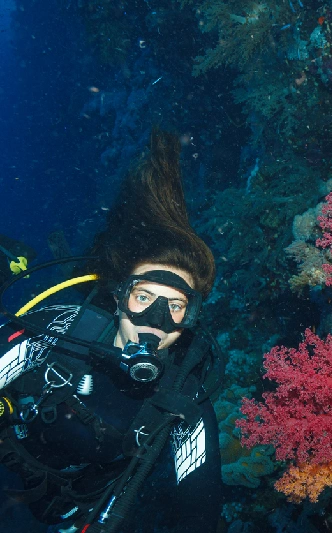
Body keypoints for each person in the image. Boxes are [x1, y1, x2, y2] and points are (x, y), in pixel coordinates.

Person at [0, 129, 223, 533]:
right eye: (143, 298)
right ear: (118, 298)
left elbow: (199, 511)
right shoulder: (62, 329)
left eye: (175, 307)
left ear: (189, 320)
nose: (155, 320)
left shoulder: (182, 397)